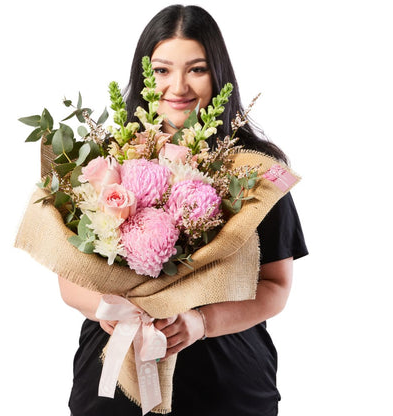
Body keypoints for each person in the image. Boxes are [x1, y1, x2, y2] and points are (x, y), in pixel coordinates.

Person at [58, 4, 308, 416]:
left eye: (197, 69)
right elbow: (68, 278)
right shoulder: (102, 163)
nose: (178, 87)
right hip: (115, 380)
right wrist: (108, 308)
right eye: (161, 70)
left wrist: (202, 322)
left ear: (218, 73)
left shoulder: (257, 169)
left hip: (227, 384)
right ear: (144, 76)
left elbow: (276, 285)